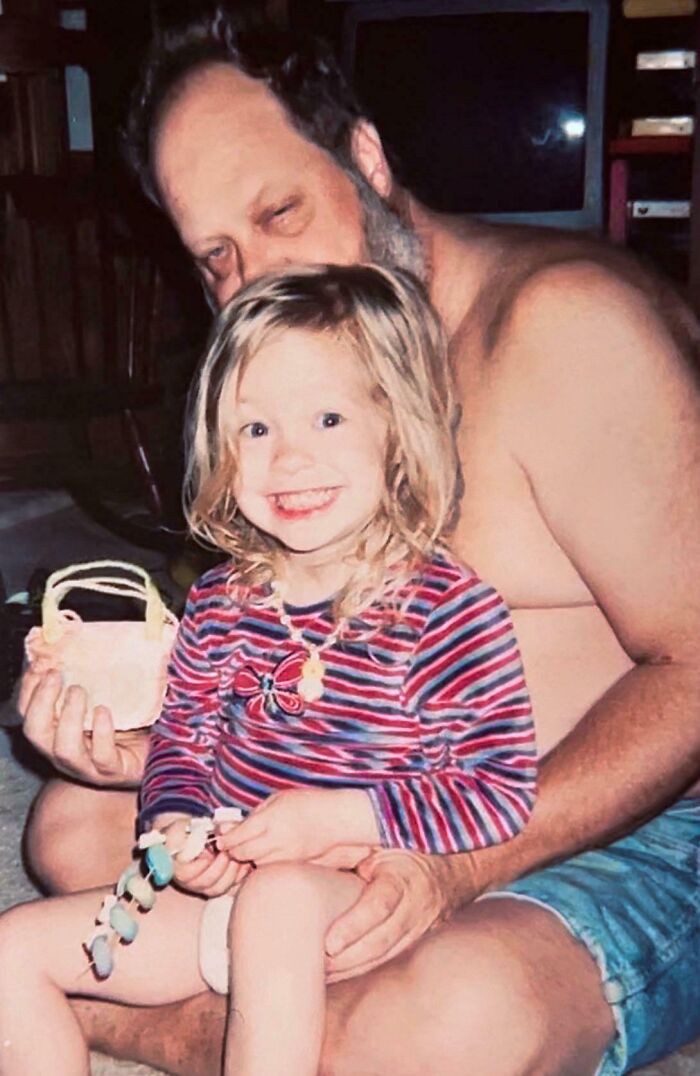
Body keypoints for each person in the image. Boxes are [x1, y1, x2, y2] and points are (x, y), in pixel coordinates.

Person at [17, 8, 700, 1075]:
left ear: (367, 158)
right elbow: (267, 650)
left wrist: (452, 868)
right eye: (217, 257)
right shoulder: (291, 386)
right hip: (345, 794)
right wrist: (131, 730)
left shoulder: (564, 330)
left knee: (441, 1021)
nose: (254, 280)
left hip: (610, 825)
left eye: (280, 210)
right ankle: (275, 1013)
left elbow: (696, 668)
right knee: (72, 822)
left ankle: (164, 1014)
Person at [0, 264, 536, 1076]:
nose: (289, 458)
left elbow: (497, 791)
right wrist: (176, 825)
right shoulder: (220, 602)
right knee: (11, 950)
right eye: (255, 429)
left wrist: (344, 819)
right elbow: (184, 740)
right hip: (223, 899)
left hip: (349, 901)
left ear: (400, 430)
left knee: (280, 901)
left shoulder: (450, 610)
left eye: (327, 418)